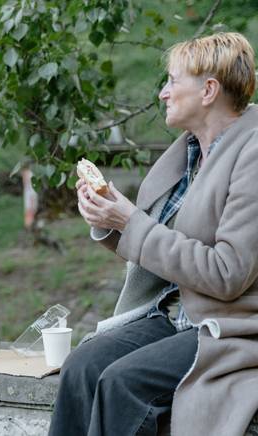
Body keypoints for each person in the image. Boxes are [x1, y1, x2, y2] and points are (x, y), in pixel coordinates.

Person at [49, 32, 258, 436]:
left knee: (122, 384)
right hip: (176, 312)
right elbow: (158, 246)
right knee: (82, 366)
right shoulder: (190, 152)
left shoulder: (252, 154)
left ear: (209, 90)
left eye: (173, 81)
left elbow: (227, 273)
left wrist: (131, 222)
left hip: (229, 326)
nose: (163, 93)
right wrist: (109, 219)